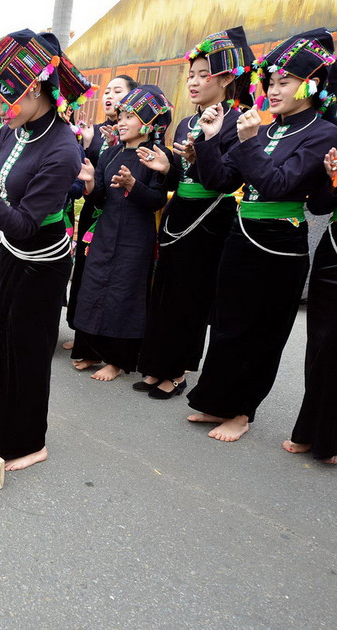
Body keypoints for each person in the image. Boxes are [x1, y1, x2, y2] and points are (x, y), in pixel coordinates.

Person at [187, 28, 337, 442]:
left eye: (283, 82)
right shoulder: (267, 130)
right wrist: (210, 139)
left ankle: (241, 412)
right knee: (227, 324)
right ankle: (216, 400)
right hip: (242, 234)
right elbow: (221, 181)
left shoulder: (323, 133)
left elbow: (278, 184)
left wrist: (248, 141)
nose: (272, 90)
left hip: (280, 244)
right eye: (270, 82)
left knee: (262, 333)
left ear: (311, 84)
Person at [0, 29, 92, 470]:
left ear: (32, 89)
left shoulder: (64, 149)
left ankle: (29, 442)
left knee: (25, 353)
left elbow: (26, 223)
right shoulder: (14, 132)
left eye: (2, 98)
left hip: (43, 260)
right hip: (9, 251)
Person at [135, 27, 255, 399]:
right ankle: (157, 365)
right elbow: (180, 175)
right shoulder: (188, 122)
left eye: (204, 75)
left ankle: (179, 371)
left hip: (210, 217)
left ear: (226, 79)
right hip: (179, 212)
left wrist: (202, 151)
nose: (193, 82)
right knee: (165, 292)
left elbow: (225, 179)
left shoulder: (238, 122)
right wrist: (166, 167)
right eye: (191, 75)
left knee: (192, 296)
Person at [73, 85, 174, 382]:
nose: (121, 122)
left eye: (129, 117)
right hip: (106, 231)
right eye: (121, 117)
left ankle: (118, 361)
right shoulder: (110, 153)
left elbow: (157, 200)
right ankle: (92, 350)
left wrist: (133, 185)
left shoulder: (157, 155)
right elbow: (100, 198)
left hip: (136, 236)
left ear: (147, 122)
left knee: (123, 294)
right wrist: (90, 183)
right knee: (94, 287)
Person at [64, 74, 138, 350]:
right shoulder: (91, 131)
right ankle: (80, 333)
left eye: (117, 91)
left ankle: (101, 342)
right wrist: (86, 144)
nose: (109, 96)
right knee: (85, 272)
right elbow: (84, 169)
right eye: (107, 91)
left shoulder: (137, 132)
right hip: (93, 207)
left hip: (118, 212)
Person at [285, 69, 337, 463]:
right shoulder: (331, 132)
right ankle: (311, 431)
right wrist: (332, 180)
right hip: (333, 250)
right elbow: (319, 206)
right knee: (319, 341)